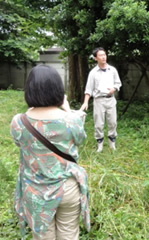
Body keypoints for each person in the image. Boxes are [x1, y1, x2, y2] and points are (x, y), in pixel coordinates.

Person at [10, 65, 90, 239]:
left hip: (35, 191)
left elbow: (19, 142)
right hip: (67, 188)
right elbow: (80, 139)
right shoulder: (71, 120)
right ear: (59, 90)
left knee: (43, 236)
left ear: (29, 90)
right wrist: (67, 109)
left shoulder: (18, 122)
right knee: (69, 234)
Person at [80, 47, 122, 152]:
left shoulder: (112, 70)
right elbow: (88, 89)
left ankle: (112, 143)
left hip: (111, 100)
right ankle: (100, 144)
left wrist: (114, 89)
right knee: (99, 124)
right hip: (99, 100)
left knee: (112, 122)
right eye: (101, 55)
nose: (103, 57)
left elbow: (118, 83)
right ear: (95, 58)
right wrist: (85, 102)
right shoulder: (93, 73)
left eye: (104, 54)